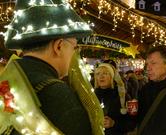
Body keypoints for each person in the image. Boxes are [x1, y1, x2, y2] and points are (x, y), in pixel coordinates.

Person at [0, 0, 103, 134]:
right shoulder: (60, 96)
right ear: (58, 46)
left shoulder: (6, 83)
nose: (74, 53)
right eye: (74, 47)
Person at [94, 63, 135, 135]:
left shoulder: (122, 96)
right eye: (98, 74)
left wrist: (114, 123)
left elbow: (132, 124)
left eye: (105, 73)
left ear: (112, 77)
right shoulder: (92, 96)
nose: (101, 76)